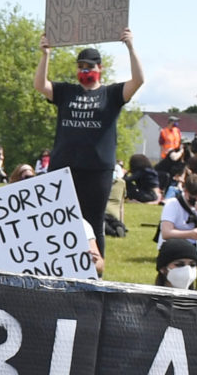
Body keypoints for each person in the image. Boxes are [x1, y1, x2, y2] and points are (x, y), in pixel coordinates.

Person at [34, 31, 145, 237]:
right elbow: (40, 85)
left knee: (93, 222)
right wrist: (45, 55)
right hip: (63, 166)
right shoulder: (66, 91)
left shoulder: (111, 94)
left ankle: (96, 267)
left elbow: (138, 80)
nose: (85, 71)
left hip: (97, 169)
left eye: (90, 66)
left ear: (100, 68)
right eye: (81, 66)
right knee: (59, 219)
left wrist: (130, 47)